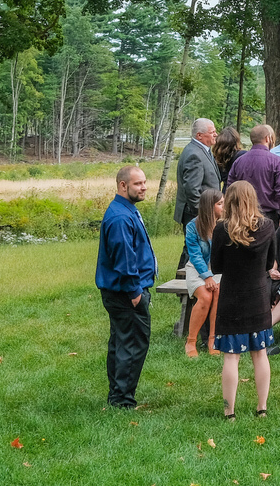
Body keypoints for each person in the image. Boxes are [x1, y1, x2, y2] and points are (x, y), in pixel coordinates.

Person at [209, 180, 278, 419]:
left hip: (231, 298)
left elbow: (216, 265)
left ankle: (230, 411)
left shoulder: (221, 229)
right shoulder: (268, 226)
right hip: (258, 296)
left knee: (231, 356)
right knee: (260, 353)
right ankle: (262, 407)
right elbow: (270, 263)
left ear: (229, 201)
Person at [96, 165, 157, 408]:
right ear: (123, 186)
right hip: (125, 292)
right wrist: (135, 293)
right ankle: (122, 400)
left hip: (122, 291)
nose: (144, 187)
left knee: (122, 342)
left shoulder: (125, 210)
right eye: (138, 184)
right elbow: (124, 259)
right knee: (132, 344)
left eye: (144, 182)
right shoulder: (121, 217)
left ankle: (117, 395)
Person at [184, 187, 224, 357]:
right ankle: (191, 341)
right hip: (196, 268)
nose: (224, 207)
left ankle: (213, 339)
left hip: (218, 268)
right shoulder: (193, 226)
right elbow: (195, 255)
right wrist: (207, 276)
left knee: (218, 293)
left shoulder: (224, 224)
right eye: (220, 204)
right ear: (210, 206)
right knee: (206, 296)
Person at [228, 124, 280, 228]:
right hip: (269, 216)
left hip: (243, 216)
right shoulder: (277, 162)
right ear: (268, 138)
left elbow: (230, 189)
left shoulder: (238, 162)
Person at [174, 117, 221, 235]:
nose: (216, 135)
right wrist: (202, 214)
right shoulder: (194, 154)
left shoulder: (203, 150)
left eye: (215, 131)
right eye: (212, 132)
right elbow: (192, 190)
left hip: (203, 212)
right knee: (194, 250)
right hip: (197, 214)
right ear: (199, 135)